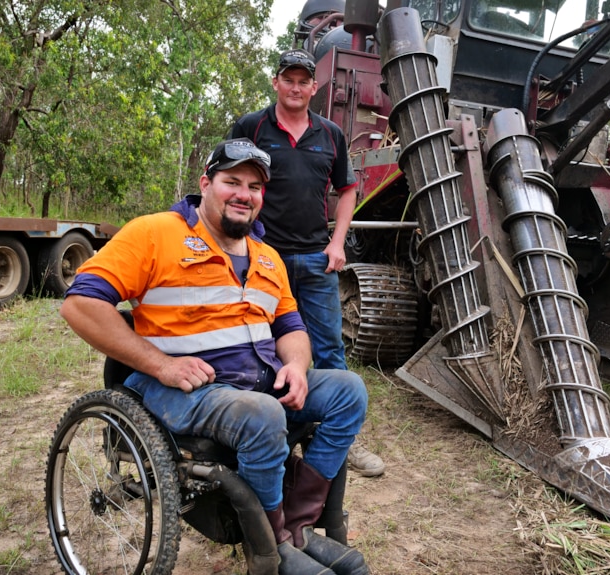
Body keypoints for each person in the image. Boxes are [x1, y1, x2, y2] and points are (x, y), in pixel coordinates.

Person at [60, 138, 368, 575]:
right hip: (182, 388)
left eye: (255, 186)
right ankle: (270, 550)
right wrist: (161, 364)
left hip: (256, 380)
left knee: (349, 391)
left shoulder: (267, 257)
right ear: (206, 183)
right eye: (232, 181)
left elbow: (290, 327)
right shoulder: (156, 233)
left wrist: (297, 367)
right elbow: (80, 305)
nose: (245, 194)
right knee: (261, 415)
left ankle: (295, 527)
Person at [230, 48, 385, 477]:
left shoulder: (330, 134)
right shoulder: (251, 127)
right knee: (258, 346)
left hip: (317, 261)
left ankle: (343, 438)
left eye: (304, 81)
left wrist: (337, 244)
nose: (296, 88)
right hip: (262, 260)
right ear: (276, 82)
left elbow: (348, 189)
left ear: (314, 88)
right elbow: (226, 182)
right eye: (288, 79)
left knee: (330, 349)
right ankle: (269, 430)